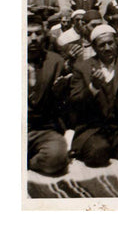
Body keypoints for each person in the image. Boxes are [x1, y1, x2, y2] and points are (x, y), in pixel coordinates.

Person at [69, 25, 118, 168]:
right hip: (92, 129)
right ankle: (99, 147)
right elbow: (75, 103)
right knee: (97, 155)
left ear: (115, 43)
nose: (107, 48)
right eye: (102, 45)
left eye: (110, 43)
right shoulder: (82, 68)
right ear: (94, 48)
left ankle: (112, 147)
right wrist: (93, 88)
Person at [27, 15, 70, 176]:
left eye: (38, 33)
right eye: (27, 34)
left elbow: (65, 108)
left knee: (57, 158)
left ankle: (29, 162)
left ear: (44, 35)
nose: (33, 39)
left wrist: (60, 94)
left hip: (43, 129)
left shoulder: (56, 62)